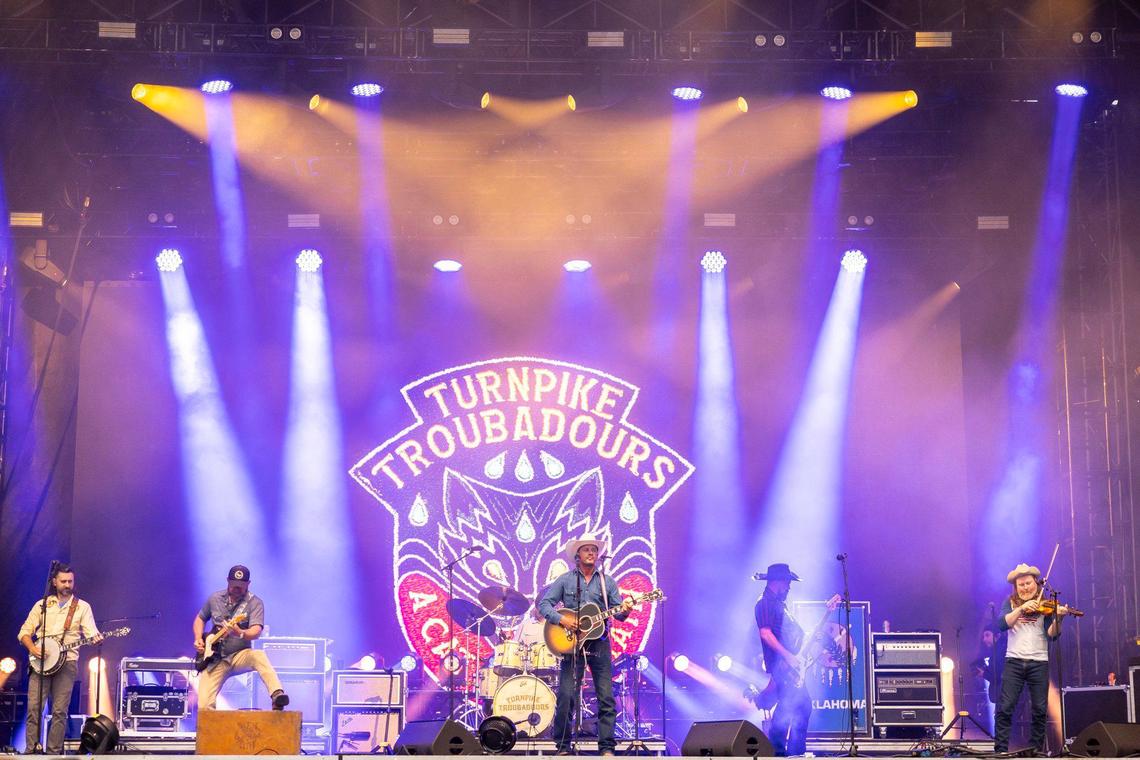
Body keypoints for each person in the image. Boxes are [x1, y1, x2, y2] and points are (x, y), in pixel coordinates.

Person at [538, 535, 634, 756]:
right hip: (572, 645)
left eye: (594, 550)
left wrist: (626, 610)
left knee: (606, 697)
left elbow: (619, 614)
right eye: (587, 550)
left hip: (600, 644)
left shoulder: (607, 582)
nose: (592, 553)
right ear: (577, 556)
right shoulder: (565, 580)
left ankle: (607, 748)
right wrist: (562, 619)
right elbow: (545, 604)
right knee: (566, 696)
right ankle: (563, 746)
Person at [18, 563, 101, 754]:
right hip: (40, 663)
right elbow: (24, 632)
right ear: (54, 582)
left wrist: (96, 639)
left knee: (59, 711)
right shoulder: (42, 605)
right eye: (63, 581)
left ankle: (53, 753)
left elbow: (91, 633)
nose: (67, 585)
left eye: (70, 581)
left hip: (67, 663)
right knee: (34, 709)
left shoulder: (82, 607)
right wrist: (33, 648)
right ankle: (31, 750)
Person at [993, 562, 1069, 754]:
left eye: (1028, 583)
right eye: (1021, 585)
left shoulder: (1045, 604)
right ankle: (1000, 750)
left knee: (1040, 710)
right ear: (1016, 587)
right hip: (1014, 661)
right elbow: (1002, 624)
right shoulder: (1009, 603)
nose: (1025, 587)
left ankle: (1035, 750)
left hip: (1039, 662)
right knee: (1006, 707)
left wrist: (1059, 618)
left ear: (1036, 583)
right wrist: (1021, 608)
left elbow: (1052, 634)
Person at [193, 564, 289, 711]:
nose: (237, 589)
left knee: (258, 655)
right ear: (227, 581)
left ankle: (277, 694)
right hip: (215, 660)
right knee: (204, 706)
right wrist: (198, 638)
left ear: (248, 584)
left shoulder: (254, 603)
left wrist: (239, 632)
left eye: (241, 586)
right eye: (234, 585)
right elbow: (200, 619)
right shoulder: (215, 598)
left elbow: (256, 631)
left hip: (239, 655)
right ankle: (213, 732)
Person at [754, 563, 811, 757]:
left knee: (794, 707)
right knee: (796, 706)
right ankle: (782, 754)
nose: (789, 587)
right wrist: (788, 656)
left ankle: (786, 753)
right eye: (787, 582)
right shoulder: (764, 603)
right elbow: (765, 633)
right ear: (778, 581)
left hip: (788, 666)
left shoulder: (780, 604)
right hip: (782, 666)